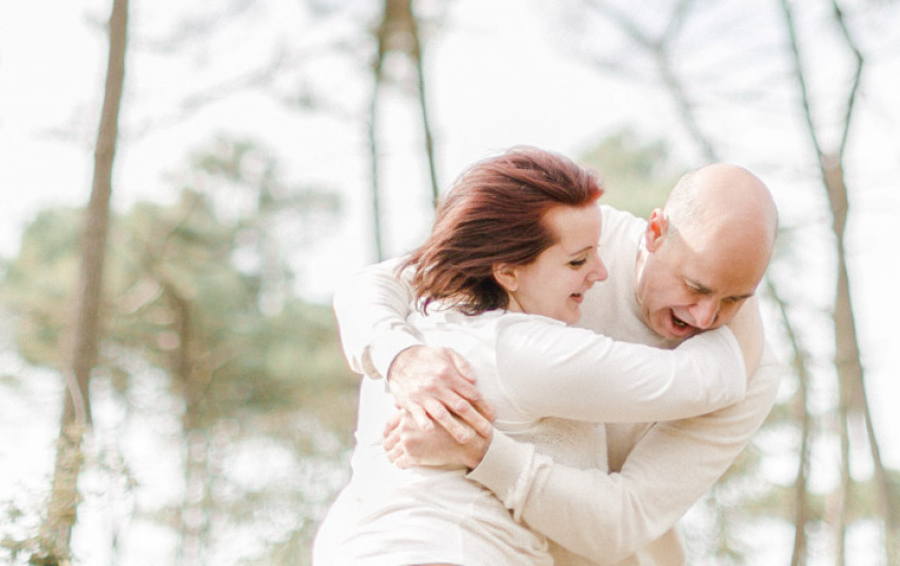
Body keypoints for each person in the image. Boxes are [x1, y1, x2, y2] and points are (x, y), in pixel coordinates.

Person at [314, 148, 764, 566]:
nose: (707, 317)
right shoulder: (551, 280)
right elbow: (709, 378)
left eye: (735, 300)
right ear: (655, 233)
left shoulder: (459, 317)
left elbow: (623, 519)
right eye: (696, 287)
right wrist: (400, 357)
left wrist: (481, 449)